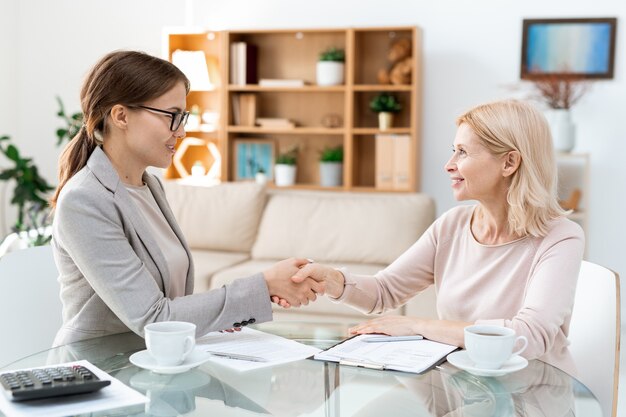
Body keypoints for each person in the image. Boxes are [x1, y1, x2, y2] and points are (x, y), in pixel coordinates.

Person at [287, 100, 584, 375]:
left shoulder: (559, 237)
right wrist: (332, 280)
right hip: (461, 384)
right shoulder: (451, 227)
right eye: (453, 150)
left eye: (463, 152)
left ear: (509, 163)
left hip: (533, 391)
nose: (449, 164)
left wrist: (420, 325)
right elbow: (384, 291)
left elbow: (529, 337)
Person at [49, 50, 322, 346]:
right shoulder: (84, 201)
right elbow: (154, 319)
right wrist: (264, 285)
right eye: (172, 117)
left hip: (157, 362)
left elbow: (170, 301)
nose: (181, 132)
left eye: (184, 117)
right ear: (121, 116)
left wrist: (214, 314)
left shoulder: (150, 186)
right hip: (102, 369)